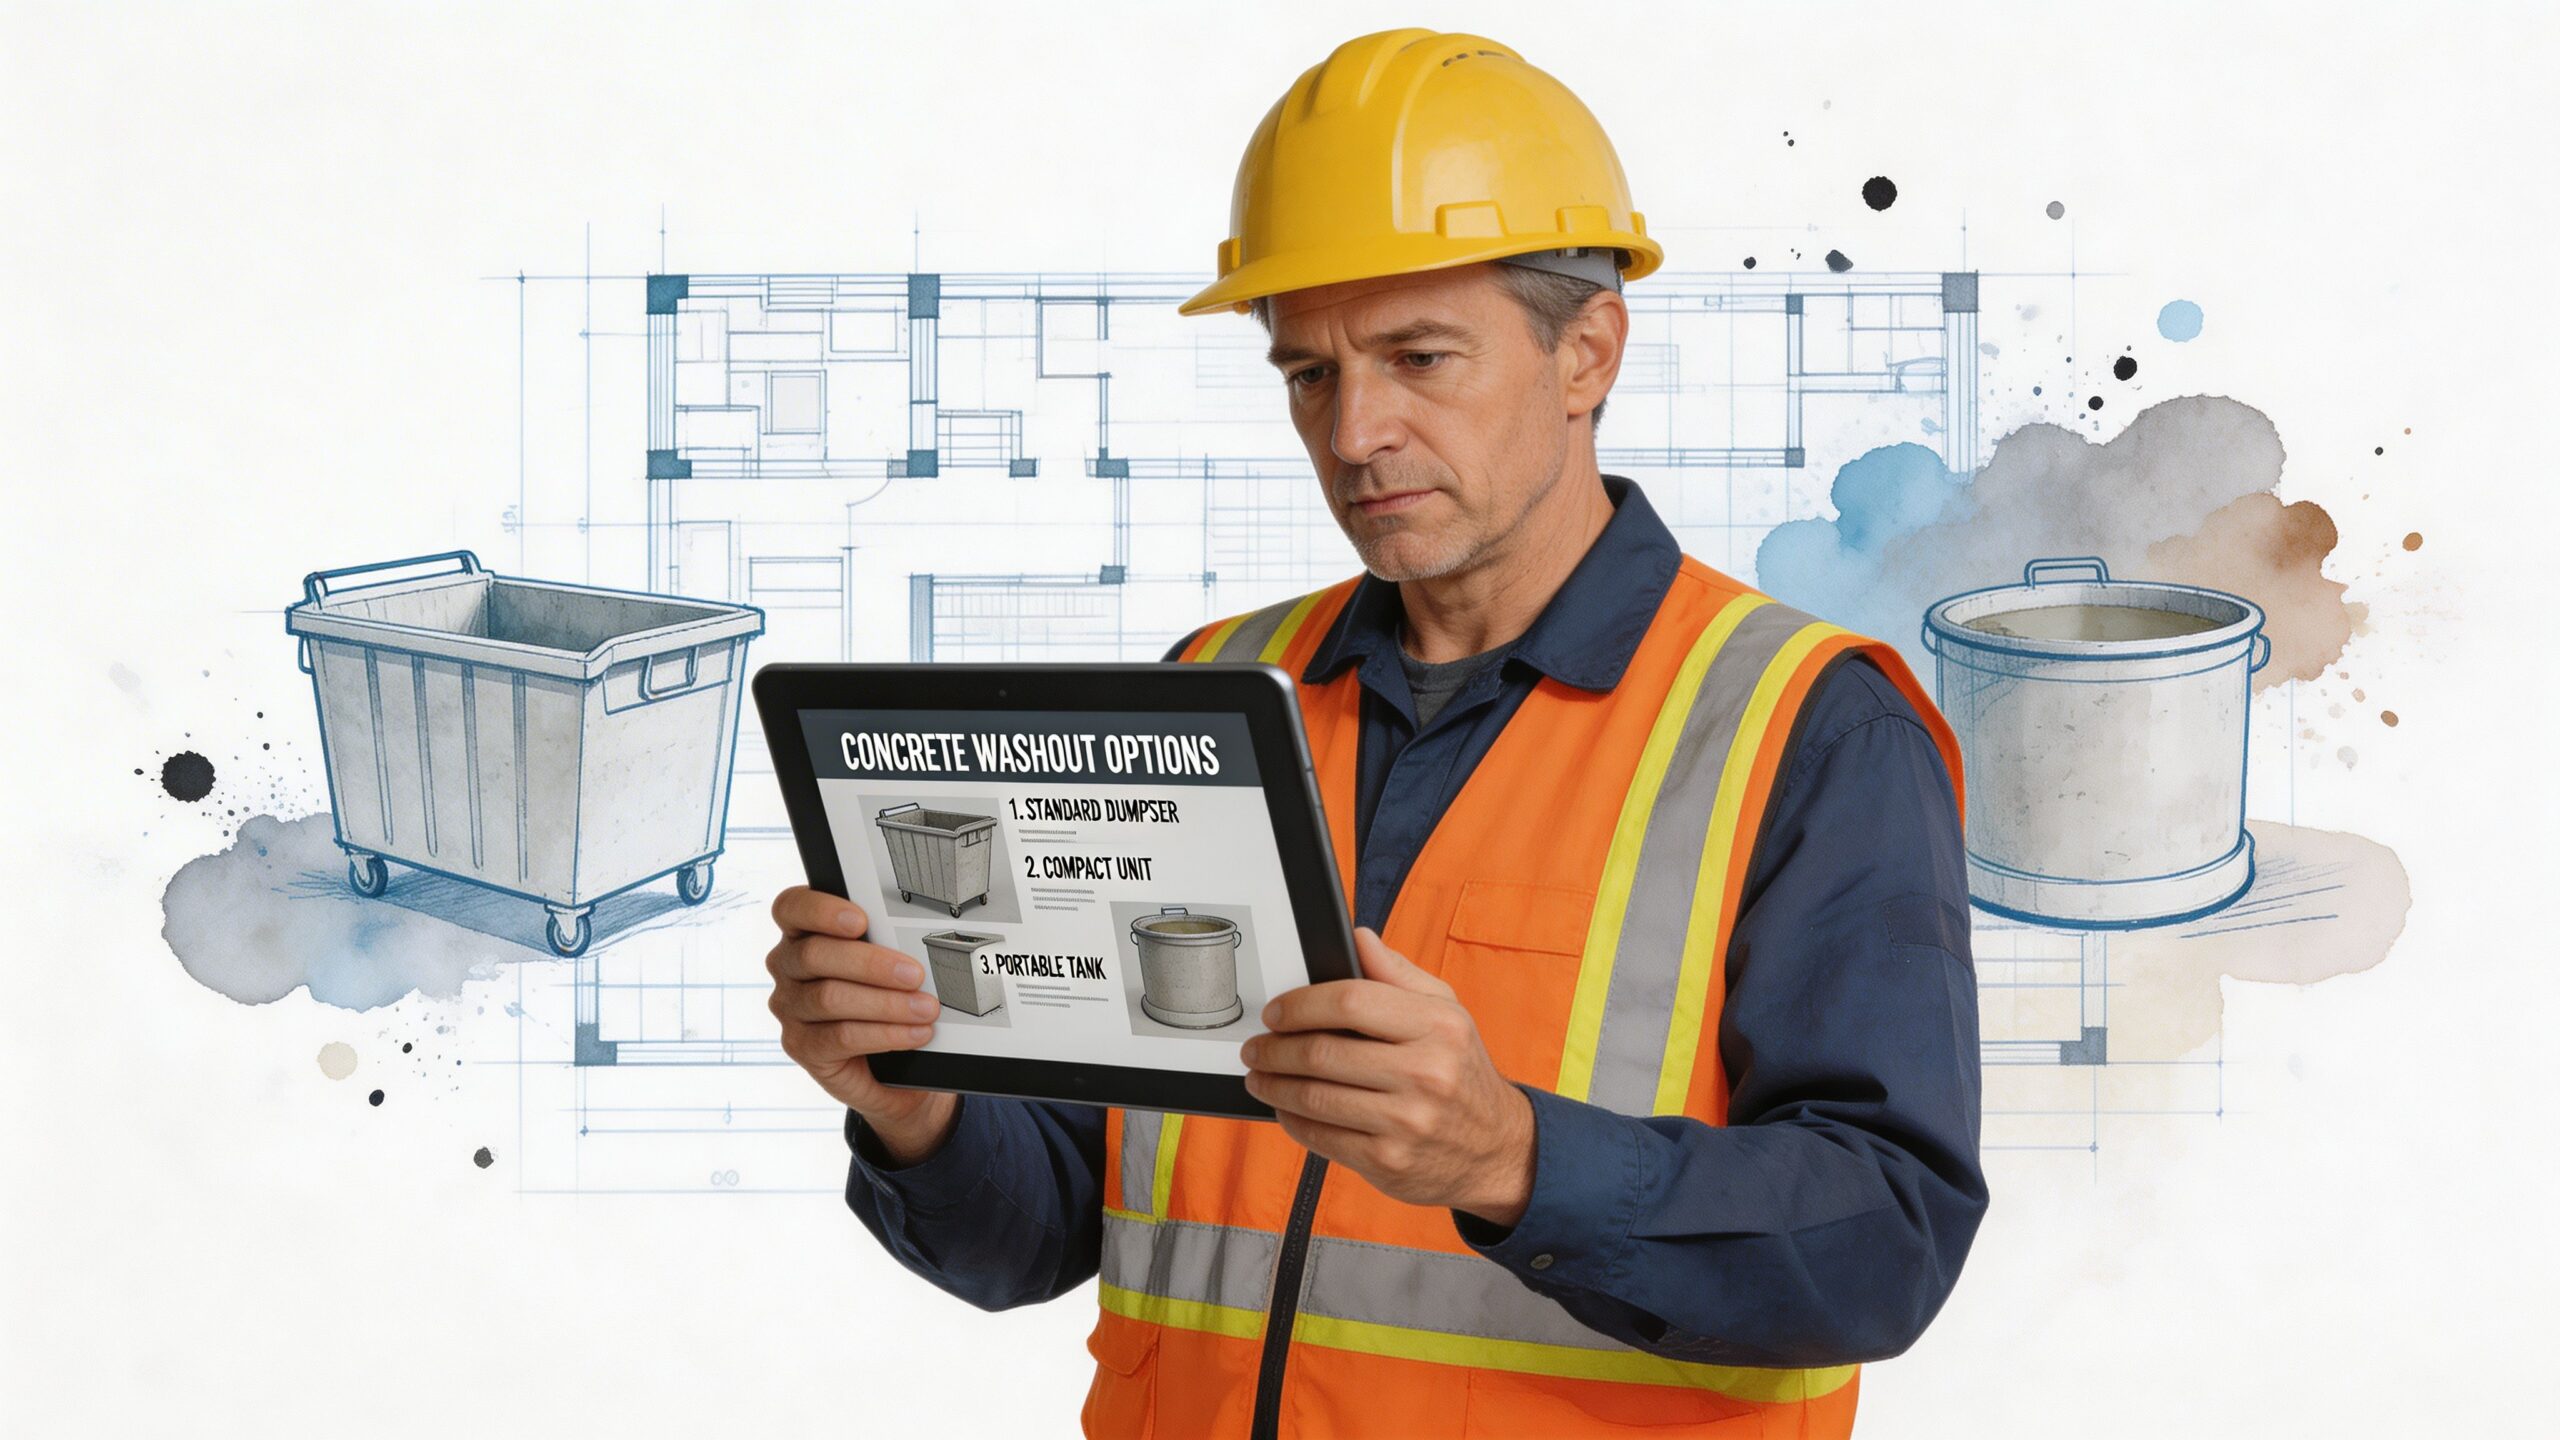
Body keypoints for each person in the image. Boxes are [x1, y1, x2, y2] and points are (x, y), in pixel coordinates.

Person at [763, 27, 1985, 1439]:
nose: (1356, 433)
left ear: (1586, 351)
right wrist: (914, 1102)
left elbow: (1889, 1243)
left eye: (1419, 357)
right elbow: (1050, 1231)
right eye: (1309, 374)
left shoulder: (1804, 724)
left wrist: (1513, 1155)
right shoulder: (1215, 693)